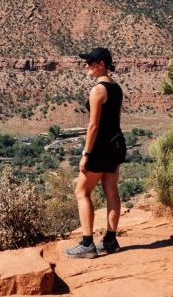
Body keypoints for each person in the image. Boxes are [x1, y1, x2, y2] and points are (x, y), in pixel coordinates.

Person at [66, 47, 126, 259]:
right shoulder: (116, 88)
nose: (87, 66)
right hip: (115, 144)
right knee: (112, 191)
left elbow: (93, 126)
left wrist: (86, 154)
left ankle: (87, 244)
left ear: (101, 64)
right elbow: (116, 120)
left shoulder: (98, 90)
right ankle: (110, 240)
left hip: (100, 147)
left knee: (81, 192)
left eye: (90, 62)